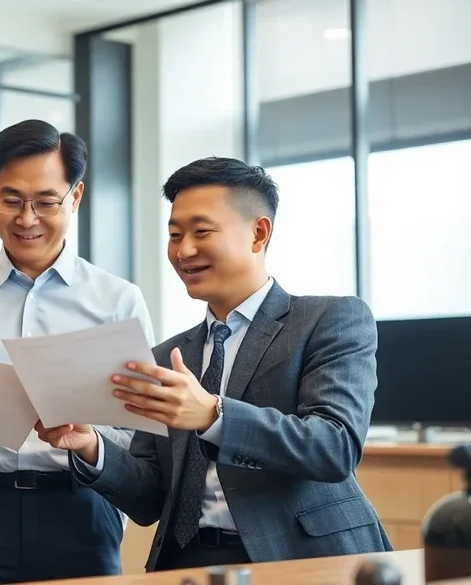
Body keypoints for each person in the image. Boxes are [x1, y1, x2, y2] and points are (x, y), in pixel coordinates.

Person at [37, 156, 392, 571]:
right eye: (174, 234)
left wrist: (213, 415)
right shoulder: (167, 355)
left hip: (299, 557)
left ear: (258, 233)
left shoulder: (329, 320)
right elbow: (150, 499)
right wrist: (90, 446)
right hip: (186, 561)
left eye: (201, 232)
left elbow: (334, 447)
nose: (184, 250)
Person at [0, 119, 155, 584]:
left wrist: (89, 442)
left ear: (76, 196)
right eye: (11, 200)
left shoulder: (118, 301)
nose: (27, 219)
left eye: (46, 202)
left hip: (81, 507)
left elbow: (140, 432)